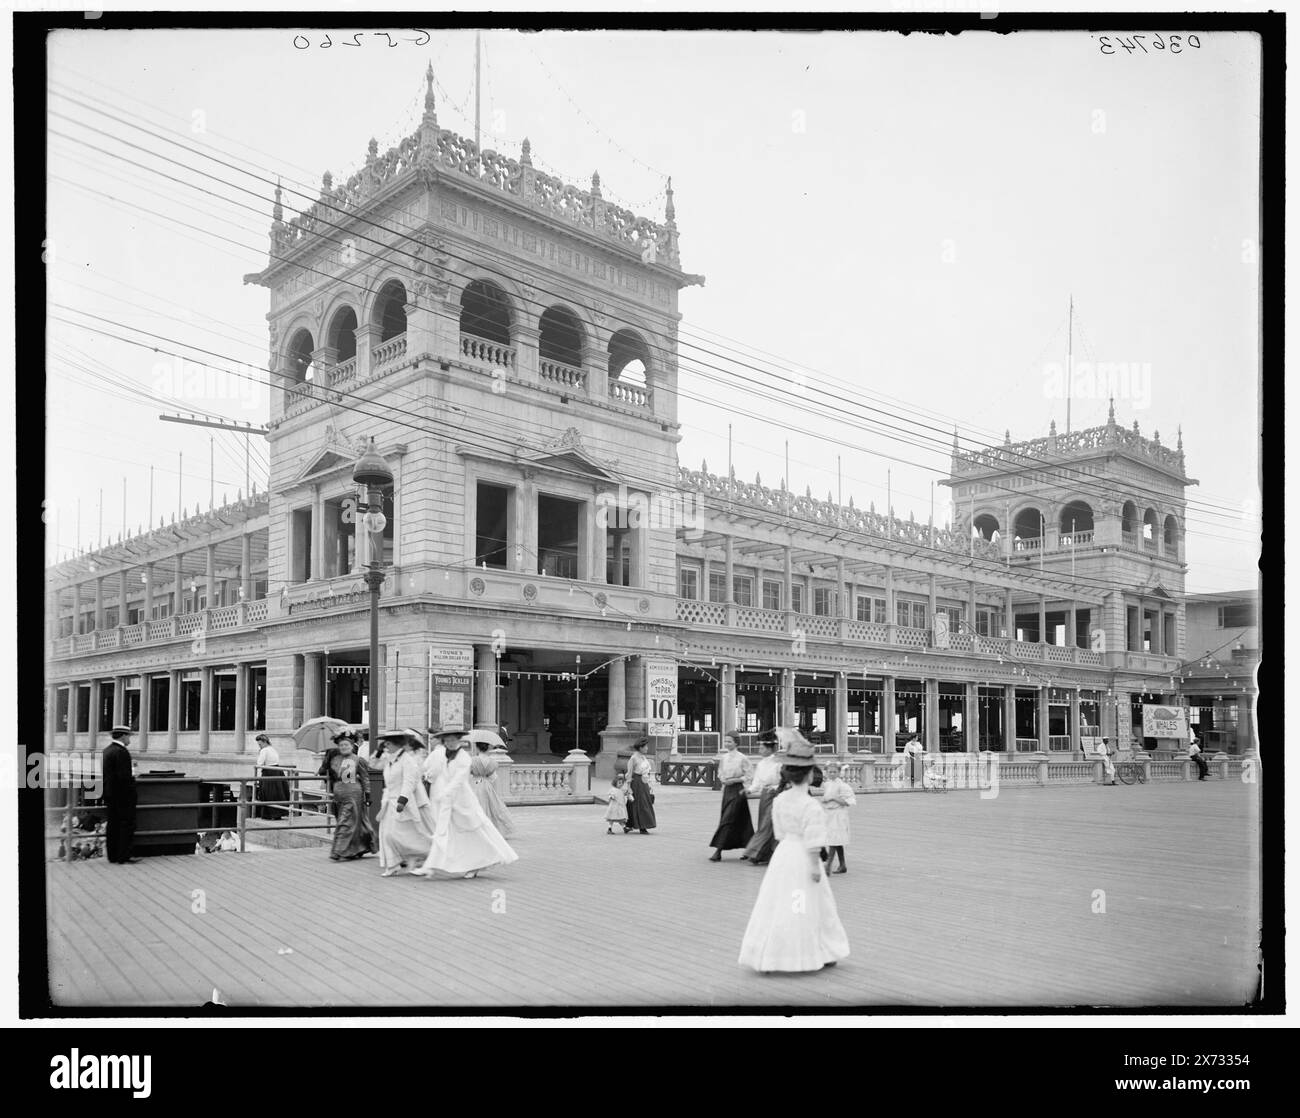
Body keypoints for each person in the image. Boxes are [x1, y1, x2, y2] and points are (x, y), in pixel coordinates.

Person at [738, 735, 850, 973]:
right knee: (805, 902)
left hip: (784, 855)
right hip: (802, 858)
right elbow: (814, 840)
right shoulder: (811, 805)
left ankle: (773, 951)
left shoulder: (779, 801)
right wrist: (813, 867)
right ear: (809, 775)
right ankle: (814, 950)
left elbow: (778, 833)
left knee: (779, 901)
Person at [413, 732, 518, 879]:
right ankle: (430, 865)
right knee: (442, 832)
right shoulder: (444, 754)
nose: (450, 743)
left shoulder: (464, 758)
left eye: (453, 740)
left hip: (464, 802)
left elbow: (459, 779)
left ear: (458, 741)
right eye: (447, 740)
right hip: (448, 802)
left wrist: (445, 792)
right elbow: (436, 772)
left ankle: (479, 862)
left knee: (475, 833)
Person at [376, 730, 436, 876]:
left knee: (406, 835)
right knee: (387, 835)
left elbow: (409, 782)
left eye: (388, 743)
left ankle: (431, 853)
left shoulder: (407, 760)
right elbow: (374, 765)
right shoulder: (389, 759)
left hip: (402, 804)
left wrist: (402, 800)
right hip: (388, 802)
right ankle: (392, 864)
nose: (386, 746)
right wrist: (377, 753)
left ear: (397, 744)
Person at [319, 730, 375, 861]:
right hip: (338, 794)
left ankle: (338, 850)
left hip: (353, 794)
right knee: (348, 822)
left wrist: (368, 794)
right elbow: (326, 772)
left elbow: (365, 778)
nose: (344, 747)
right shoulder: (334, 759)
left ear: (352, 746)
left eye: (347, 745)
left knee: (344, 822)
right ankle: (357, 848)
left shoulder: (358, 760)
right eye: (342, 745)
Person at [709, 729, 754, 861]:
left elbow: (749, 775)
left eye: (729, 741)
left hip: (738, 790)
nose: (727, 743)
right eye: (725, 741)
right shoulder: (724, 758)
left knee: (727, 819)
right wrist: (723, 779)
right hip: (727, 790)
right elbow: (720, 772)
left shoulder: (742, 758)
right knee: (741, 820)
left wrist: (736, 780)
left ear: (736, 743)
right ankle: (750, 848)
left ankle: (718, 850)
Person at [101, 725, 139, 865]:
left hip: (110, 794)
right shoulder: (122, 752)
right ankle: (123, 856)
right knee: (126, 824)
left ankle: (113, 855)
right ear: (123, 736)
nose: (130, 739)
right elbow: (124, 777)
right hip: (123, 796)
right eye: (129, 736)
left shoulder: (107, 750)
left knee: (112, 825)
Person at [742, 734, 781, 864]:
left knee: (769, 824)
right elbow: (757, 782)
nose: (760, 750)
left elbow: (784, 780)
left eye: (762, 748)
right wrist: (750, 790)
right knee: (763, 823)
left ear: (770, 749)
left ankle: (758, 852)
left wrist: (775, 787)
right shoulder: (761, 764)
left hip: (776, 795)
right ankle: (763, 854)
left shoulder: (778, 763)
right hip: (765, 796)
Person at [469, 741, 516, 837]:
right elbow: (493, 778)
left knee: (475, 805)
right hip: (486, 784)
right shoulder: (492, 762)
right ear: (488, 748)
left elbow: (468, 774)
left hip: (475, 783)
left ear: (477, 748)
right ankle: (490, 829)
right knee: (491, 806)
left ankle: (475, 829)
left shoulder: (472, 760)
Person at [819, 762, 856, 874]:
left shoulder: (843, 786)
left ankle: (828, 865)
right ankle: (842, 865)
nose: (832, 774)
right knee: (836, 839)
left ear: (839, 772)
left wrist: (834, 798)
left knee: (834, 840)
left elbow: (848, 802)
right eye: (830, 772)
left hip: (839, 815)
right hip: (829, 814)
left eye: (835, 772)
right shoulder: (827, 784)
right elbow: (826, 797)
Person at [623, 738, 657, 834]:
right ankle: (641, 826)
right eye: (645, 746)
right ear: (640, 747)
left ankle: (634, 825)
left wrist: (649, 784)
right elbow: (629, 774)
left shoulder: (643, 757)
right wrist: (628, 787)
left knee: (645, 802)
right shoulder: (633, 758)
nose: (647, 748)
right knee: (638, 804)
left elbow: (646, 771)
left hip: (644, 782)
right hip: (636, 782)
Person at [253, 733, 290, 820]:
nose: (259, 746)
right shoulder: (273, 749)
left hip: (268, 772)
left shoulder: (264, 750)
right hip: (277, 771)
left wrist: (257, 778)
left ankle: (269, 814)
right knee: (278, 793)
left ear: (264, 742)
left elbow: (259, 763)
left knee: (268, 794)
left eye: (260, 744)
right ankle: (278, 813)